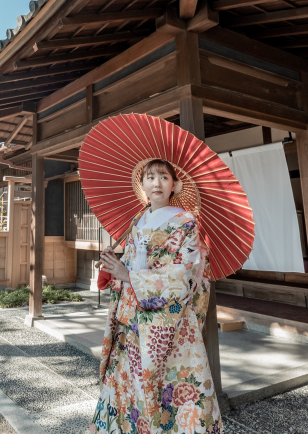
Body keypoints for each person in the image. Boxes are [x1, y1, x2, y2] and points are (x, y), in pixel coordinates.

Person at [91, 158, 221, 434]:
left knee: (162, 385)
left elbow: (185, 272)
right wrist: (115, 266)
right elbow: (131, 262)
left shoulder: (186, 222)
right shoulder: (138, 220)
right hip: (130, 314)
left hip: (165, 320)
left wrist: (130, 276)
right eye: (150, 177)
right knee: (126, 382)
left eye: (164, 177)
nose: (157, 183)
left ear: (175, 185)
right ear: (142, 185)